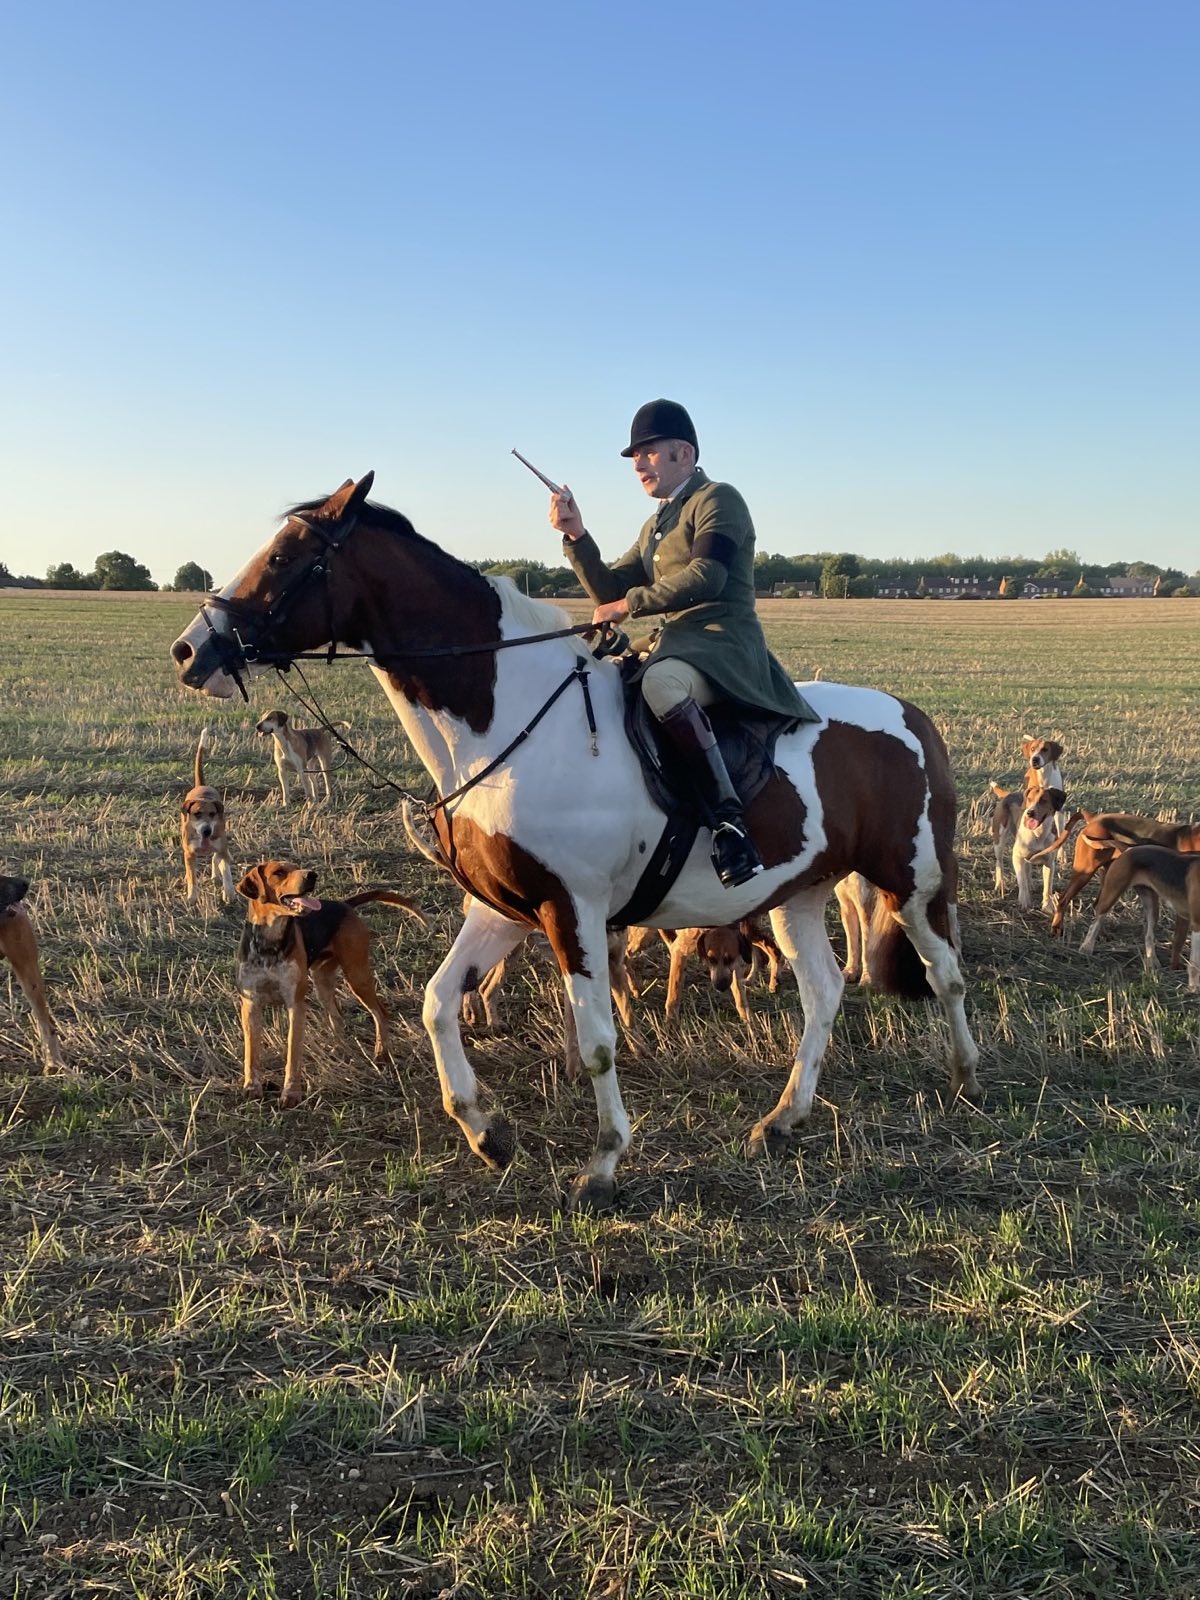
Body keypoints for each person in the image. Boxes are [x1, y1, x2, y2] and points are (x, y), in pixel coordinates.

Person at [550, 398, 812, 888]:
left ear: (684, 454)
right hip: (674, 640)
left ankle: (730, 824)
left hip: (721, 641)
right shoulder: (655, 526)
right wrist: (577, 536)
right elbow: (610, 590)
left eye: (648, 453)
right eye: (634, 458)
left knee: (662, 687)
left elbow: (708, 576)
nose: (638, 465)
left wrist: (629, 605)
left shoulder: (718, 499)